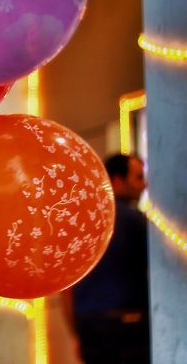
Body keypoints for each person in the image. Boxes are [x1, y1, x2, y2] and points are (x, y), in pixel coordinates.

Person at [71, 153, 149, 364]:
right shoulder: (134, 220)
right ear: (116, 180)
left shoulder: (80, 218)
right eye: (138, 177)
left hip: (88, 323)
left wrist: (74, 330)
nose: (144, 185)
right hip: (127, 324)